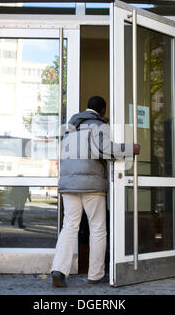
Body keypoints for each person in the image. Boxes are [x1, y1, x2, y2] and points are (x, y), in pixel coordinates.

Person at [51, 96, 140, 287]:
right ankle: (95, 274)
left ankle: (58, 269)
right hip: (91, 184)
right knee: (97, 228)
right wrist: (130, 149)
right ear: (103, 111)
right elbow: (103, 149)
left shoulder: (71, 128)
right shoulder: (98, 125)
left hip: (69, 183)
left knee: (69, 226)